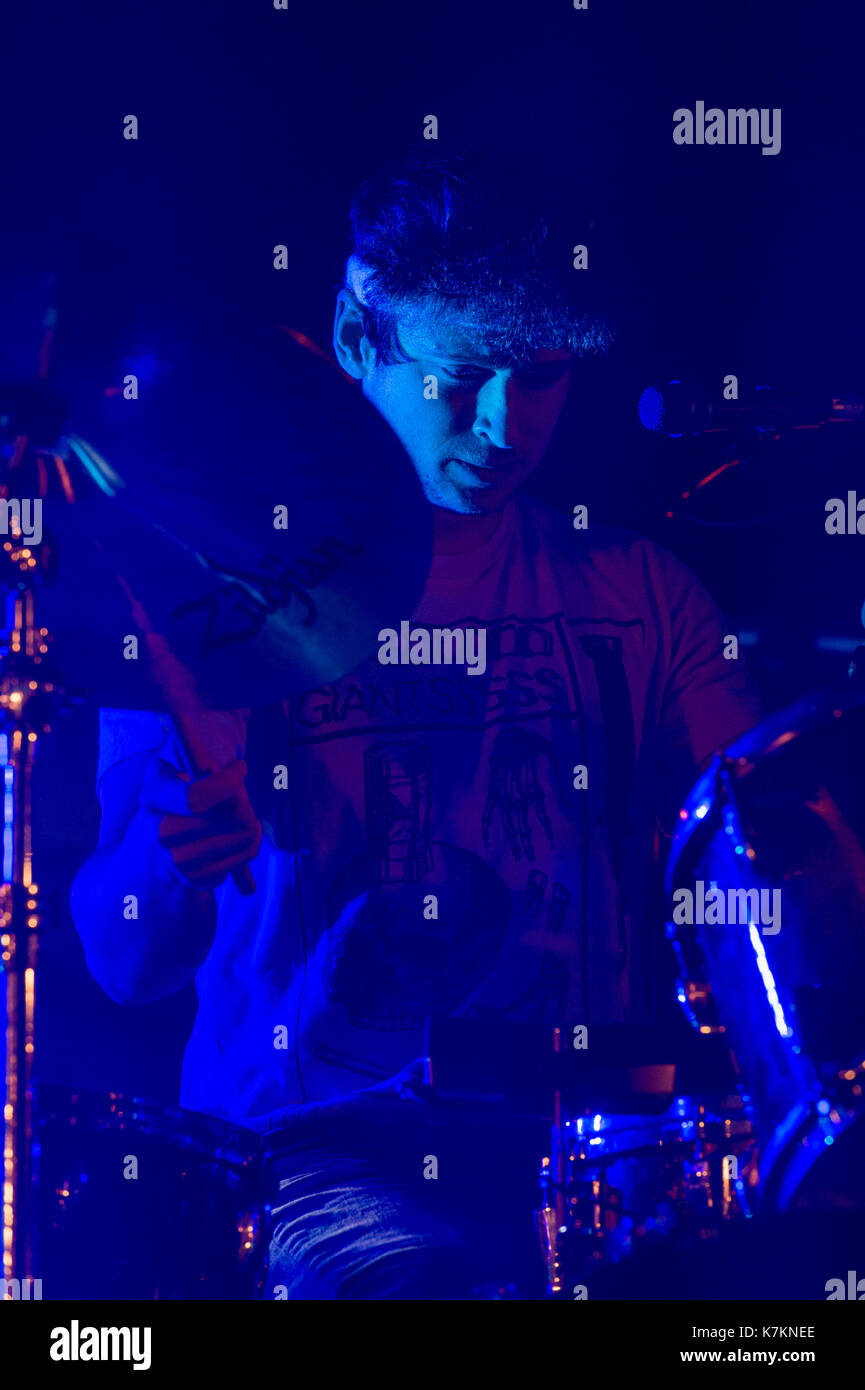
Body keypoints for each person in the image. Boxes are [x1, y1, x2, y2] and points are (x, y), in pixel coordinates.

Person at [70, 153, 762, 1299]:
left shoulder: (643, 594)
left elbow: (765, 866)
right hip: (311, 1157)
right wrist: (174, 847)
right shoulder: (208, 595)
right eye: (462, 375)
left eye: (539, 377)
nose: (503, 422)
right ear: (356, 341)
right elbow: (120, 958)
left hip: (594, 1147)